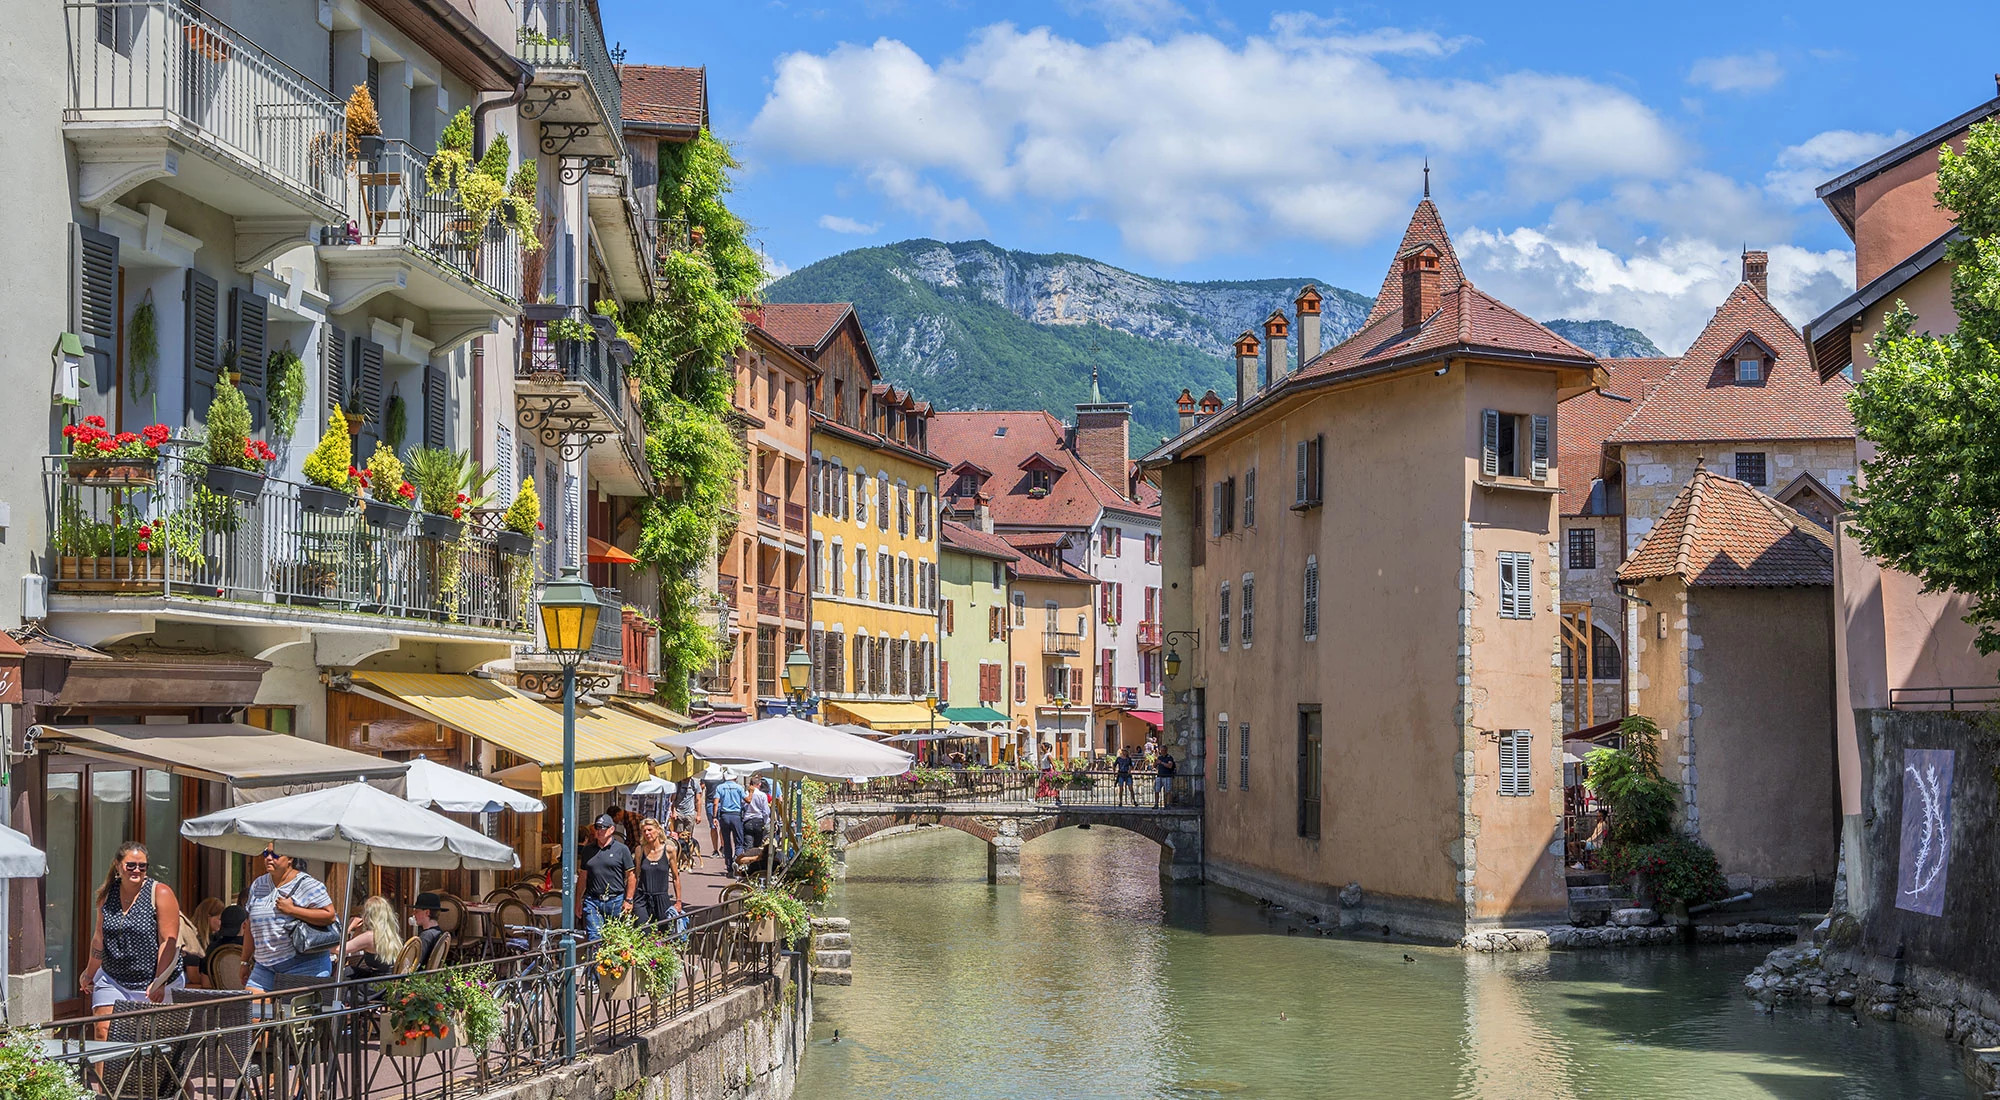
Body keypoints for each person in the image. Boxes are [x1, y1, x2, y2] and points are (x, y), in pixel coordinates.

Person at [80, 843, 184, 1034]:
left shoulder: (160, 893)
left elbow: (168, 941)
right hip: (114, 978)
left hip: (153, 980)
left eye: (142, 866)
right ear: (118, 866)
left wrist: (159, 981)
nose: (137, 870)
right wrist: (89, 973)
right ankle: (103, 1065)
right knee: (104, 1031)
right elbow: (99, 938)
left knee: (151, 1040)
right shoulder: (107, 895)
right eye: (131, 865)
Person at [243, 846, 337, 993]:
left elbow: (329, 915)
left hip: (304, 964)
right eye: (266, 853)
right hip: (264, 965)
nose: (268, 858)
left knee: (294, 1015)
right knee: (253, 1013)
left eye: (275, 854)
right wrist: (244, 961)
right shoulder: (258, 884)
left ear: (290, 858)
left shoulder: (307, 884)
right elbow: (250, 925)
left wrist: (293, 910)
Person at [575, 814, 636, 937]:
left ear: (612, 829)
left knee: (615, 939)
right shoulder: (588, 850)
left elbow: (631, 875)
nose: (600, 830)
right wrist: (577, 901)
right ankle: (594, 956)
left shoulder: (622, 849)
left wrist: (629, 900)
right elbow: (583, 876)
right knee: (594, 936)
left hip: (615, 900)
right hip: (592, 900)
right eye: (597, 827)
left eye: (603, 827)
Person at [633, 818, 682, 926]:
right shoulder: (639, 850)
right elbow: (636, 875)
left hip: (661, 898)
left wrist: (678, 901)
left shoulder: (669, 850)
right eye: (644, 831)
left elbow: (675, 877)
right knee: (643, 931)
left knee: (664, 933)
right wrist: (630, 899)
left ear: (658, 830)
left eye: (649, 830)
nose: (647, 833)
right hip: (642, 898)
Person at [344, 896, 406, 980]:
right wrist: (359, 929)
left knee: (341, 978)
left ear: (369, 915)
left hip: (377, 985)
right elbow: (356, 944)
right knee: (349, 971)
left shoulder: (369, 936)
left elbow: (340, 950)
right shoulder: (390, 934)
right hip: (389, 981)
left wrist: (349, 928)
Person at [712, 770, 748, 874]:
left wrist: (714, 817)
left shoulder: (720, 787)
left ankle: (729, 865)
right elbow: (747, 800)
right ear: (735, 778)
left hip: (724, 815)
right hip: (736, 815)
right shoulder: (739, 787)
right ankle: (738, 860)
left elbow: (715, 803)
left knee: (726, 842)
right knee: (739, 841)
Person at [409, 893, 448, 965]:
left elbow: (415, 963)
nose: (413, 913)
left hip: (421, 975)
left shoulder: (426, 936)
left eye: (417, 911)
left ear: (427, 912)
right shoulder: (439, 932)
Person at [743, 777, 772, 853]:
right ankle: (755, 863)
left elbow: (742, 807)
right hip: (758, 820)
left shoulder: (745, 794)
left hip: (747, 821)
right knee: (757, 846)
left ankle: (747, 862)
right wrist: (765, 822)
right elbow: (766, 811)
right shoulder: (762, 795)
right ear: (759, 784)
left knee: (748, 845)